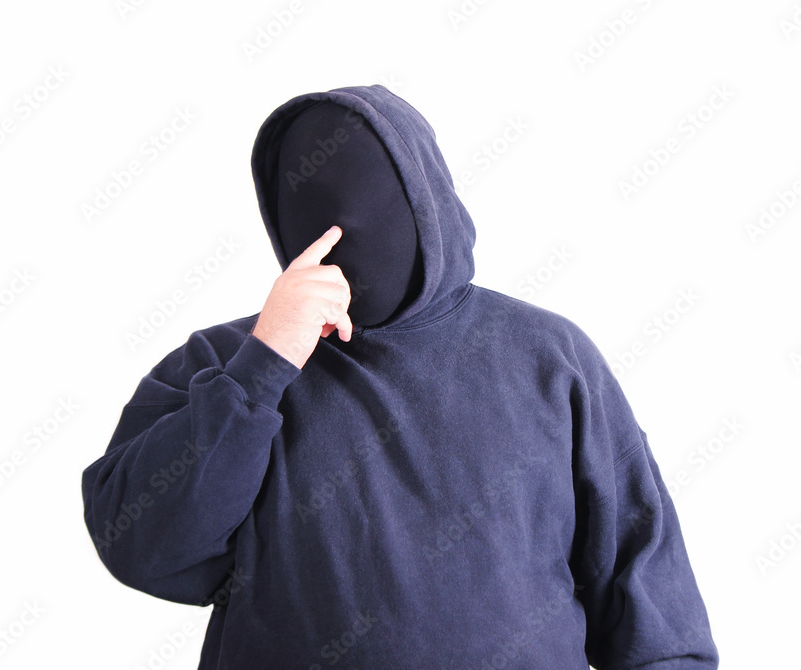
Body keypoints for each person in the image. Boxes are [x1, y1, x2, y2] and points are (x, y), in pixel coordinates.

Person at [81, 84, 720, 669]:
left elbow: (647, 586)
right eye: (311, 198)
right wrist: (263, 368)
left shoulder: (550, 357)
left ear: (426, 194)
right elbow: (142, 549)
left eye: (369, 191)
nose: (343, 226)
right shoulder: (224, 362)